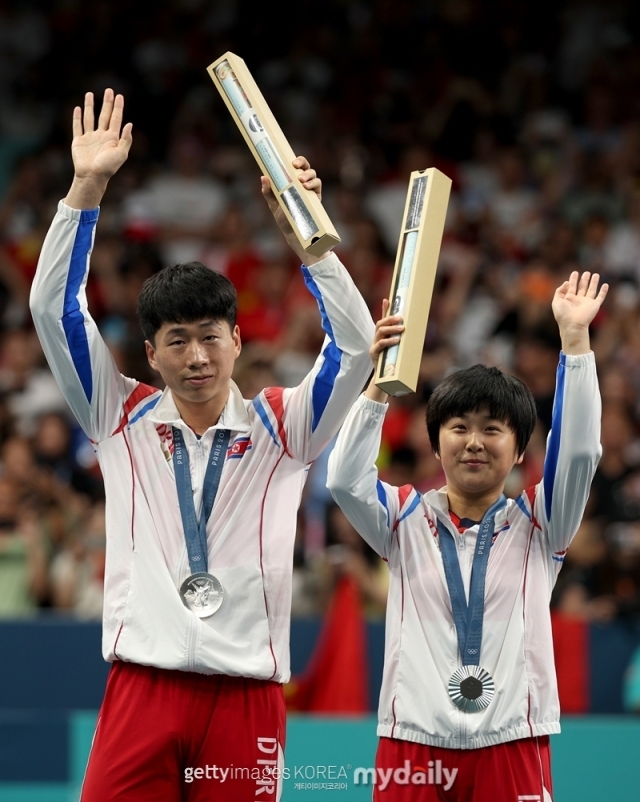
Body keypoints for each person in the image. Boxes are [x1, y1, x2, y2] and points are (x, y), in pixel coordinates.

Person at [29, 88, 374, 801]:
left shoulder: (285, 428)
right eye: (176, 341)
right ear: (150, 353)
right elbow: (52, 308)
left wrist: (305, 236)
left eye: (211, 337)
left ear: (238, 341)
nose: (196, 357)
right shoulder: (116, 415)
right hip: (141, 689)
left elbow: (357, 345)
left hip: (244, 699)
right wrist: (85, 190)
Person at [327, 272, 608, 801]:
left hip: (512, 740)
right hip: (411, 741)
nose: (474, 442)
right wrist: (378, 385)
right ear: (435, 444)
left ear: (520, 449)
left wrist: (575, 342)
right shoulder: (401, 518)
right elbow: (343, 479)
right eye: (458, 427)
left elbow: (579, 455)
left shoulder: (542, 524)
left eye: (493, 429)